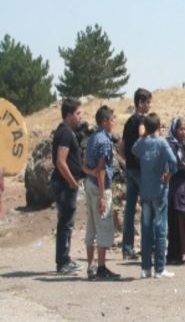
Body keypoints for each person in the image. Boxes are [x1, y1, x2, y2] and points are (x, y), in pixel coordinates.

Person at [132, 113, 178, 279]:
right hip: (159, 189)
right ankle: (159, 268)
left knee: (146, 229)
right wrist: (168, 174)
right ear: (159, 127)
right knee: (160, 228)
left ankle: (145, 268)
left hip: (145, 190)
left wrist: (144, 135)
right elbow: (174, 162)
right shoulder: (161, 142)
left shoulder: (142, 143)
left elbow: (133, 149)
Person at [82, 105, 121, 280]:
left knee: (91, 227)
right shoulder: (104, 141)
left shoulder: (92, 138)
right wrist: (104, 195)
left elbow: (85, 165)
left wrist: (91, 174)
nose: (113, 122)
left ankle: (90, 266)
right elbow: (102, 168)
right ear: (105, 121)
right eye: (112, 119)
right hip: (99, 187)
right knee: (103, 226)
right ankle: (101, 267)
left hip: (89, 185)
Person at [50, 98, 84, 275]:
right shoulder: (64, 133)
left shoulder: (69, 132)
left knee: (67, 223)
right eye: (78, 114)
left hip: (66, 184)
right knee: (65, 223)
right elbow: (61, 162)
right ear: (69, 114)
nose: (80, 117)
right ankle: (62, 263)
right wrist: (72, 182)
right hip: (64, 185)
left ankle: (65, 259)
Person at [120, 88, 152, 260]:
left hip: (130, 168)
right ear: (140, 103)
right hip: (140, 169)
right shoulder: (141, 120)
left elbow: (121, 147)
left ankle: (127, 248)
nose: (149, 105)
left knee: (129, 209)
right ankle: (147, 246)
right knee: (147, 205)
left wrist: (128, 160)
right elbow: (142, 136)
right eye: (147, 102)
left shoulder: (128, 121)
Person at [166, 117, 185, 265]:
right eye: (180, 129)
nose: (183, 132)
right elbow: (174, 166)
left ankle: (184, 250)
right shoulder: (171, 146)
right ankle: (178, 252)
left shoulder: (184, 145)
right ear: (174, 130)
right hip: (176, 186)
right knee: (177, 217)